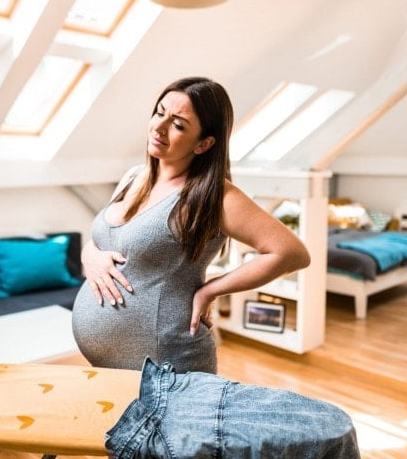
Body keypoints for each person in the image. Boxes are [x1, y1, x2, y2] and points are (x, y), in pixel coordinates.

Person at [71, 76, 310, 374]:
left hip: (169, 366)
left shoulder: (213, 196)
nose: (159, 127)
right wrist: (89, 256)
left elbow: (291, 252)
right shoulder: (134, 176)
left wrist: (211, 290)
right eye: (159, 112)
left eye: (178, 124)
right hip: (109, 368)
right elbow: (109, 240)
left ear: (204, 143)